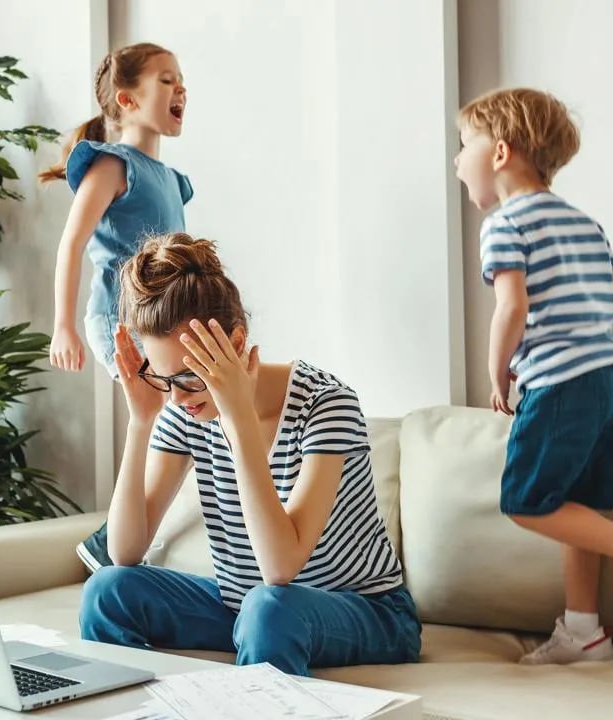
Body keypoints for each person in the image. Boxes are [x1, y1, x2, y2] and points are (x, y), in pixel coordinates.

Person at [78, 232, 422, 677]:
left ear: (235, 345)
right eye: (165, 380)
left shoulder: (325, 404)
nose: (177, 400)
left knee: (269, 608)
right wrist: (140, 421)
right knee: (107, 591)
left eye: (188, 377)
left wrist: (238, 416)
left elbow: (280, 567)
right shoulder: (186, 409)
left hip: (370, 612)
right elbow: (124, 552)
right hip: (248, 605)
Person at [453, 87, 613, 664]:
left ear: (501, 151)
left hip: (561, 386)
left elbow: (511, 307)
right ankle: (585, 631)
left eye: (464, 146)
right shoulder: (584, 222)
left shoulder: (505, 223)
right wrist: (590, 339)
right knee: (577, 505)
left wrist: (500, 372)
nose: (457, 160)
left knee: (526, 500)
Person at [40, 43, 192, 377]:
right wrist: (63, 325)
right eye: (167, 80)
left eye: (180, 80)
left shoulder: (170, 180)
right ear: (127, 100)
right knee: (157, 410)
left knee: (181, 413)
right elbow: (72, 243)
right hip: (124, 321)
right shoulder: (113, 165)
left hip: (164, 318)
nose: (181, 87)